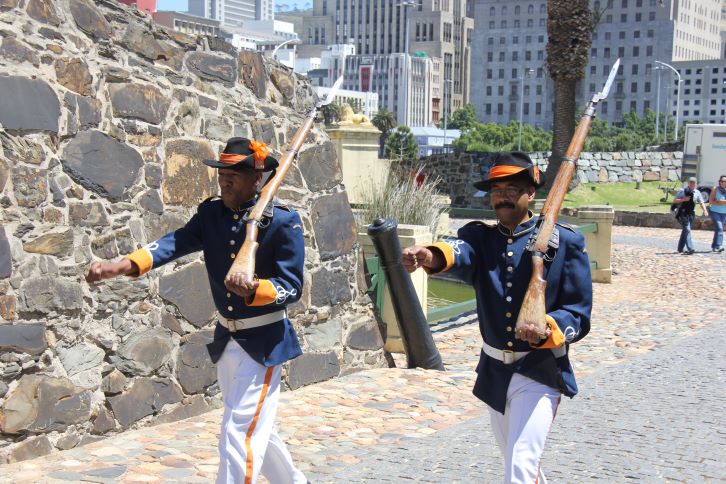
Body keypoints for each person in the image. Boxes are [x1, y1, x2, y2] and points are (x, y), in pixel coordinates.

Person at [85, 137, 307, 484]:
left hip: (264, 344)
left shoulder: (282, 222)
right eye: (222, 173)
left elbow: (291, 287)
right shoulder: (210, 215)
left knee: (239, 433)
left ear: (257, 177)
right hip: (227, 340)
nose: (224, 180)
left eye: (234, 173)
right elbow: (174, 243)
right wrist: (125, 265)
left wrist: (255, 289)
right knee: (250, 425)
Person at [402, 152, 592, 483]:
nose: (502, 195)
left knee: (520, 464)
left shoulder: (566, 243)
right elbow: (459, 253)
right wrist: (430, 255)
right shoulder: (481, 238)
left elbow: (579, 313)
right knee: (520, 463)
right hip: (495, 371)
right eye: (497, 189)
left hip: (539, 369)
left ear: (531, 193)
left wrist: (550, 329)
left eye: (512, 187)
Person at [673, 176, 709, 254]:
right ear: (688, 183)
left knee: (685, 230)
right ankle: (690, 248)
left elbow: (701, 202)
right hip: (683, 212)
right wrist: (683, 199)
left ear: (696, 184)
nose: (692, 184)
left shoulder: (697, 192)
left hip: (691, 213)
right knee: (687, 229)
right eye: (691, 182)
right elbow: (675, 200)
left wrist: (705, 210)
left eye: (694, 183)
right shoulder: (682, 191)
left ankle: (680, 248)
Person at [708, 175, 726, 252]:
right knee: (720, 228)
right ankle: (719, 245)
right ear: (719, 182)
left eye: (725, 181)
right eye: (722, 181)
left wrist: (719, 202)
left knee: (718, 229)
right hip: (715, 211)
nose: (723, 183)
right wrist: (721, 202)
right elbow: (711, 201)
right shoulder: (715, 189)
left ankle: (714, 245)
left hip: (724, 212)